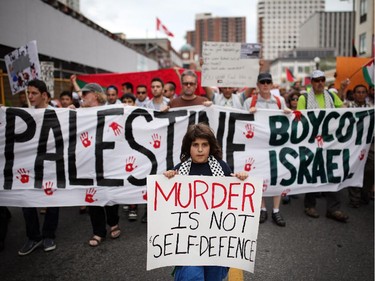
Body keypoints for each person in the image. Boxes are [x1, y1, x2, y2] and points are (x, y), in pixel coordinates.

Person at [163, 123, 249, 281]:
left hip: (216, 240)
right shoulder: (179, 170)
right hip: (188, 241)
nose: (200, 150)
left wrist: (241, 179)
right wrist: (168, 179)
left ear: (211, 146)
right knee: (192, 276)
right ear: (188, 147)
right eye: (195, 145)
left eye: (204, 145)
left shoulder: (222, 168)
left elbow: (233, 199)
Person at [297, 70, 349, 223]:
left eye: (322, 80)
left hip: (330, 142)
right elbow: (299, 119)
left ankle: (334, 209)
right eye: (316, 80)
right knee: (313, 172)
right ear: (311, 82)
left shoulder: (331, 96)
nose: (320, 83)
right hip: (312, 142)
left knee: (333, 172)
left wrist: (344, 94)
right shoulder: (303, 98)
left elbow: (342, 109)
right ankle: (309, 205)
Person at [18, 79, 60, 256]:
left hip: (51, 165)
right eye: (29, 93)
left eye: (34, 93)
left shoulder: (60, 114)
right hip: (30, 165)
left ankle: (48, 235)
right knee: (26, 199)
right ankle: (33, 237)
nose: (30, 96)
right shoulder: (25, 115)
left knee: (52, 200)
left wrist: (74, 114)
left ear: (44, 95)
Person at [243, 73, 289, 227]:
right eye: (262, 82)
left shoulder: (279, 101)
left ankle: (276, 210)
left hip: (275, 145)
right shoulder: (250, 101)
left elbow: (286, 119)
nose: (265, 85)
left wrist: (287, 113)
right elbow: (241, 121)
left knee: (277, 175)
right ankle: (262, 208)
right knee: (259, 176)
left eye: (268, 82)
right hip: (257, 145)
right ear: (258, 84)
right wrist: (249, 114)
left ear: (271, 84)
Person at [79, 83, 121, 246]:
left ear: (95, 95)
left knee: (109, 194)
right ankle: (98, 231)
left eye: (85, 94)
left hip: (109, 159)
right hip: (89, 161)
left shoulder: (112, 111)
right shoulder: (79, 113)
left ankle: (113, 222)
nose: (82, 97)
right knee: (93, 195)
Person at [344, 84, 374, 208]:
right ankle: (354, 198)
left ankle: (365, 193)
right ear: (354, 94)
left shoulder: (371, 107)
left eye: (363, 92)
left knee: (370, 168)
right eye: (358, 92)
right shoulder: (349, 106)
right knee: (354, 168)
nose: (361, 94)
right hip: (353, 142)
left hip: (369, 142)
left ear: (366, 94)